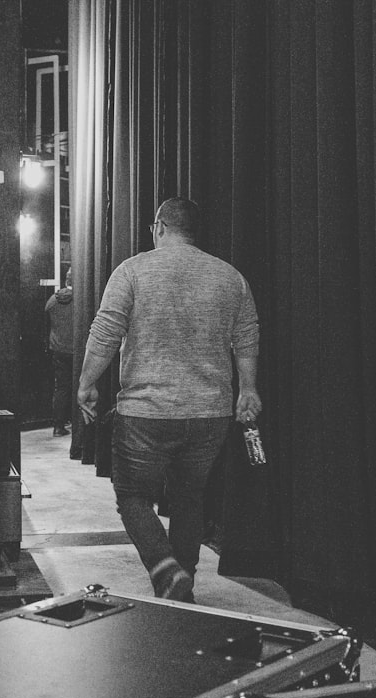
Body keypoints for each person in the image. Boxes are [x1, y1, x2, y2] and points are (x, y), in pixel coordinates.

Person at [77, 198, 262, 602]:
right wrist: (248, 389)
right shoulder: (231, 278)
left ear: (159, 226)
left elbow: (106, 331)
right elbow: (246, 336)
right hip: (210, 412)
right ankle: (183, 583)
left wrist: (87, 382)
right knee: (190, 497)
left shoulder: (132, 271)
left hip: (147, 413)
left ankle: (165, 569)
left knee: (132, 496)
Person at [46, 267, 74, 437]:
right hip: (77, 350)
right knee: (79, 386)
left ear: (65, 280)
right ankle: (78, 426)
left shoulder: (51, 301)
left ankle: (58, 426)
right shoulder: (81, 300)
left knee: (61, 388)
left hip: (58, 350)